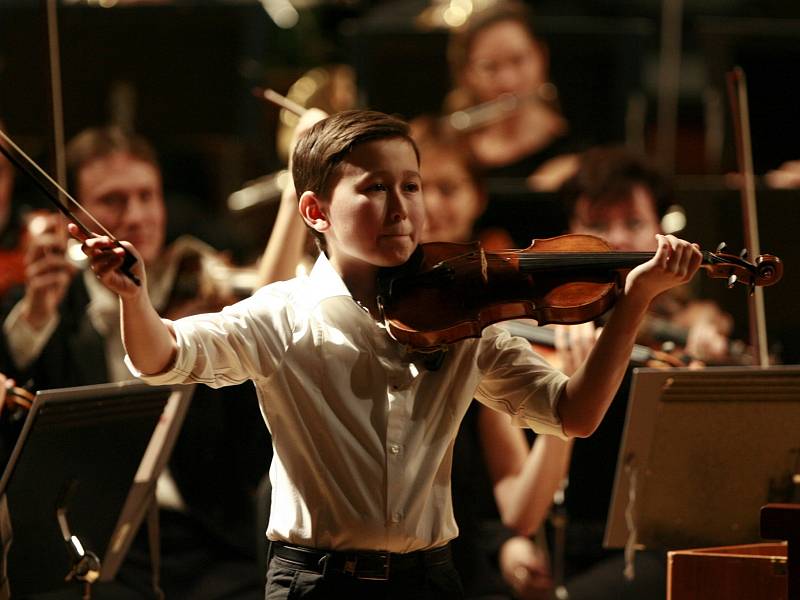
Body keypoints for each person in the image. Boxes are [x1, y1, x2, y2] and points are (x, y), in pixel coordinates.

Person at [73, 109, 703, 599]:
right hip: (315, 583)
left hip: (431, 578)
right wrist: (135, 297)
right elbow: (164, 356)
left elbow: (574, 414)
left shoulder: (466, 314)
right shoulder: (281, 315)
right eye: (374, 189)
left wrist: (636, 299)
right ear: (316, 211)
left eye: (411, 185)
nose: (401, 208)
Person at [0, 126, 270, 599]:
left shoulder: (203, 295)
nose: (137, 216)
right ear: (74, 218)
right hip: (97, 540)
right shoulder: (47, 304)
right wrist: (38, 315)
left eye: (148, 196)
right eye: (113, 200)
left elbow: (249, 452)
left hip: (205, 538)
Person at [553, 145, 734, 599]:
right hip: (564, 538)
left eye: (633, 222)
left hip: (656, 540)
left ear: (659, 230)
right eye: (596, 224)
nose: (615, 239)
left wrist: (708, 371)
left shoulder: (691, 325)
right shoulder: (545, 324)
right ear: (571, 230)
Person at [445, 0, 581, 189]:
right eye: (489, 67)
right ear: (467, 74)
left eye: (518, 60)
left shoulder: (578, 142)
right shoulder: (450, 151)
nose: (508, 81)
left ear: (542, 56)